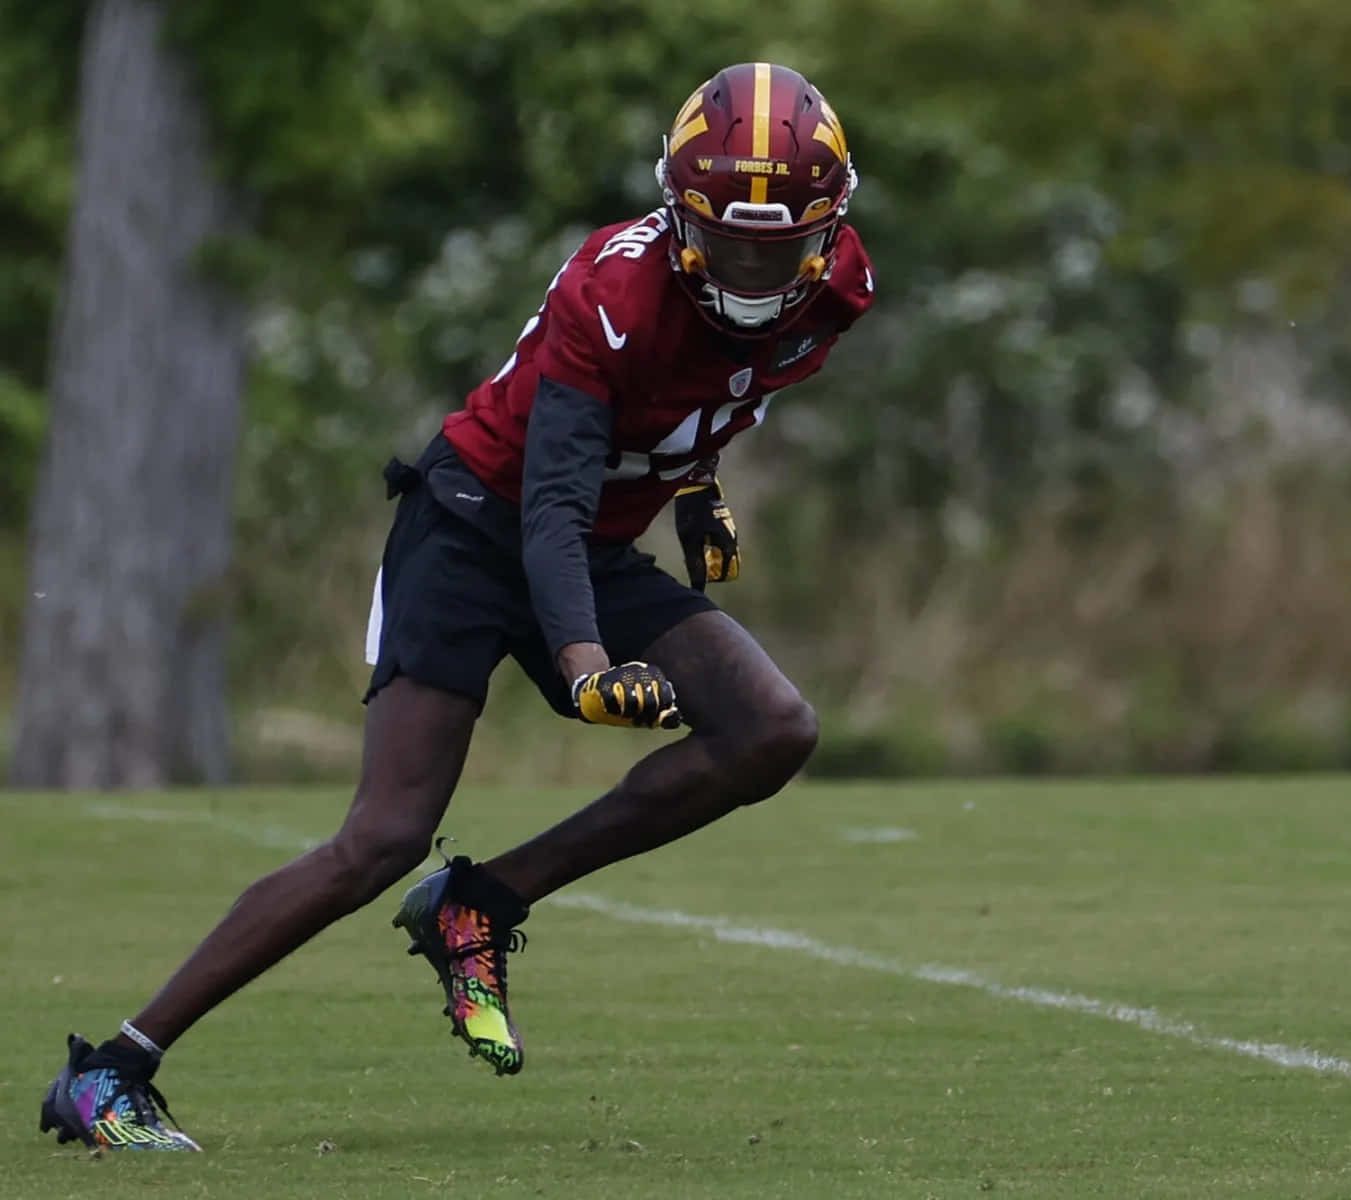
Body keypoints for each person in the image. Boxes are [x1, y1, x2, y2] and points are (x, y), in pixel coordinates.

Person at [40, 61, 875, 1153]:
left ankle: (480, 903)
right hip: (477, 523)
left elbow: (711, 389)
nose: (758, 273)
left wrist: (695, 488)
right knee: (380, 835)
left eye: (780, 249)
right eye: (730, 247)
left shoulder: (841, 286)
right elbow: (553, 500)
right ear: (680, 220)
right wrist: (581, 661)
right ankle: (109, 1072)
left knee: (772, 728)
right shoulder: (611, 292)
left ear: (827, 227)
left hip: (595, 536)